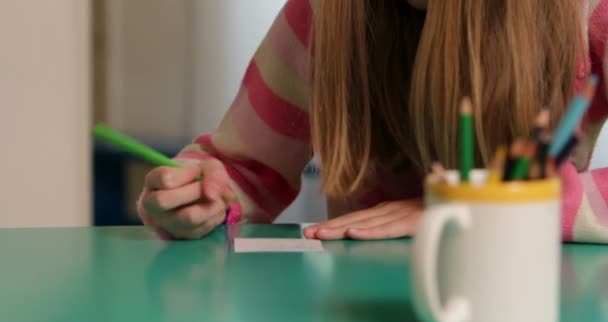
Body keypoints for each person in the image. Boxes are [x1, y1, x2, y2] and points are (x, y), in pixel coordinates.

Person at [137, 0, 608, 243]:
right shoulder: (327, 13)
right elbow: (244, 168)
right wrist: (203, 192)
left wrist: (477, 208)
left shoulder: (590, 14)